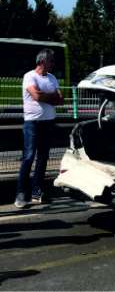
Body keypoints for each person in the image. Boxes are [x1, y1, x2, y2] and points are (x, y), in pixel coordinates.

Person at [15, 49, 64, 208]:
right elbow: (36, 96)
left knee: (43, 158)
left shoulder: (52, 78)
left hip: (48, 122)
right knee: (28, 157)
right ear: (43, 61)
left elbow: (61, 99)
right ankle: (21, 193)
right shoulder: (29, 76)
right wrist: (50, 97)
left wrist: (45, 96)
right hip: (33, 123)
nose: (53, 64)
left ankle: (37, 191)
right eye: (51, 61)